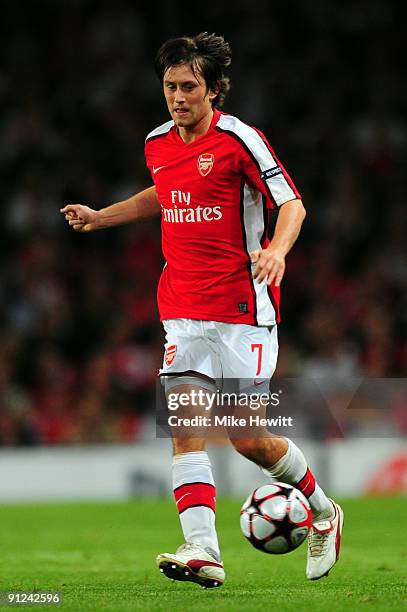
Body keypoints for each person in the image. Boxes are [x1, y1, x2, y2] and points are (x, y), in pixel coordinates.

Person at [61, 32, 344, 589]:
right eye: (169, 86)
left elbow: (291, 202)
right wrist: (102, 217)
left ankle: (327, 512)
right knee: (185, 427)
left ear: (213, 90)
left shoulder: (240, 140)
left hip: (242, 308)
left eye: (189, 86)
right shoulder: (157, 143)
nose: (177, 96)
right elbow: (164, 193)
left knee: (247, 437)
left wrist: (276, 251)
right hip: (182, 310)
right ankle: (203, 550)